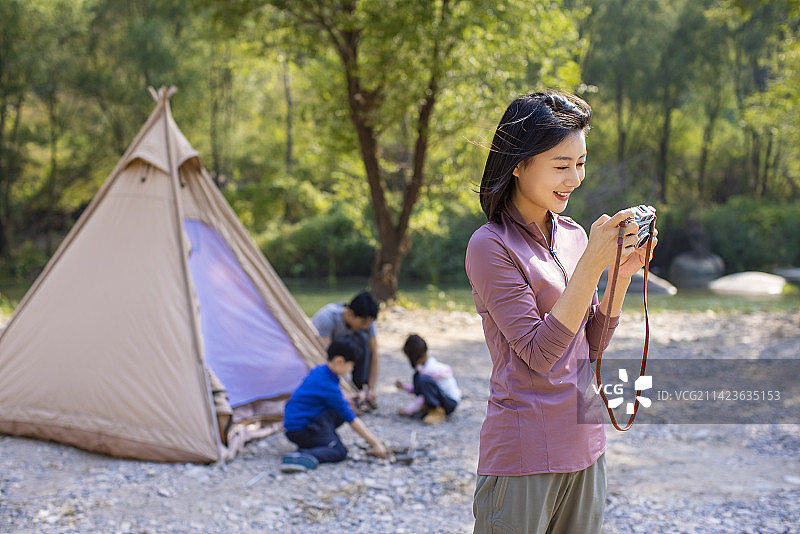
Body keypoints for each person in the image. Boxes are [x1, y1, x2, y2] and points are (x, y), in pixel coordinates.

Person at [465, 91, 657, 533]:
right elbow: (539, 353)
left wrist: (620, 274)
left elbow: (590, 345)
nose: (575, 178)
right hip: (524, 453)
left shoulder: (573, 234)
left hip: (586, 444)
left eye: (581, 163)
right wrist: (592, 264)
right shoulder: (490, 245)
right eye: (561, 165)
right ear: (518, 164)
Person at [281, 335, 388, 473]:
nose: (351, 369)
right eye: (351, 365)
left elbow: (326, 399)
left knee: (340, 410)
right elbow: (351, 419)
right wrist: (375, 443)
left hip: (298, 423)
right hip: (301, 430)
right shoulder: (328, 386)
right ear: (339, 361)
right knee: (339, 451)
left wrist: (350, 398)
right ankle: (304, 455)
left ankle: (317, 442)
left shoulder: (320, 371)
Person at [311, 290, 380, 411]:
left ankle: (359, 389)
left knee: (364, 338)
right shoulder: (327, 318)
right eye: (363, 322)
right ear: (351, 313)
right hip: (328, 358)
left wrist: (371, 388)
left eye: (368, 323)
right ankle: (347, 394)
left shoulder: (367, 322)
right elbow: (325, 358)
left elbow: (374, 354)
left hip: (345, 355)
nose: (365, 326)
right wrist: (343, 394)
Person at [394, 334, 461, 425]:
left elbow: (422, 396)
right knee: (419, 377)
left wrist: (408, 410)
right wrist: (403, 387)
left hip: (450, 403)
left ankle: (436, 411)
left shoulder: (428, 371)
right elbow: (417, 390)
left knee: (423, 379)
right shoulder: (424, 369)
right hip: (444, 399)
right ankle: (430, 407)